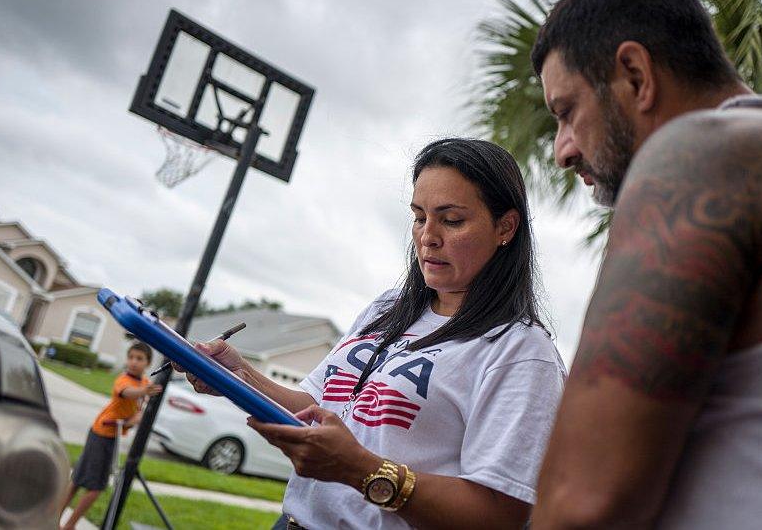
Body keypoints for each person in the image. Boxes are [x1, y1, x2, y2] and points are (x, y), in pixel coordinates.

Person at [528, 0, 762, 528]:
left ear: (635, 75)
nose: (563, 148)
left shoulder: (704, 153)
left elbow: (580, 503)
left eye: (567, 111)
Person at [179, 138, 567, 529]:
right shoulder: (388, 307)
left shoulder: (520, 351)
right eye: (419, 216)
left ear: (505, 226)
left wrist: (359, 469)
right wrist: (237, 377)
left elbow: (498, 515)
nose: (428, 236)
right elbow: (313, 406)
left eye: (451, 220)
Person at [59, 342, 162, 530]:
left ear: (148, 363)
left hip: (109, 434)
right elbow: (128, 394)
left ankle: (60, 521)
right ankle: (68, 524)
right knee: (94, 486)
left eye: (139, 359)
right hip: (102, 432)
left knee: (79, 478)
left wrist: (136, 416)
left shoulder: (145, 383)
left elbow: (141, 405)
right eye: (131, 357)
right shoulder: (123, 380)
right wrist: (143, 396)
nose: (133, 362)